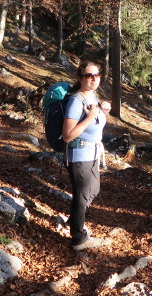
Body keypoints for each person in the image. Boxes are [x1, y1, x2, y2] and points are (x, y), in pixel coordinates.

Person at [62, 60, 111, 250]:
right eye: (89, 75)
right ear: (80, 78)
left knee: (93, 189)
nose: (93, 79)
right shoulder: (76, 101)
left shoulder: (92, 98)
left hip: (92, 153)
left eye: (97, 75)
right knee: (81, 196)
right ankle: (78, 238)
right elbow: (67, 136)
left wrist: (102, 110)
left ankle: (76, 218)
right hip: (78, 154)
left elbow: (95, 123)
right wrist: (90, 117)